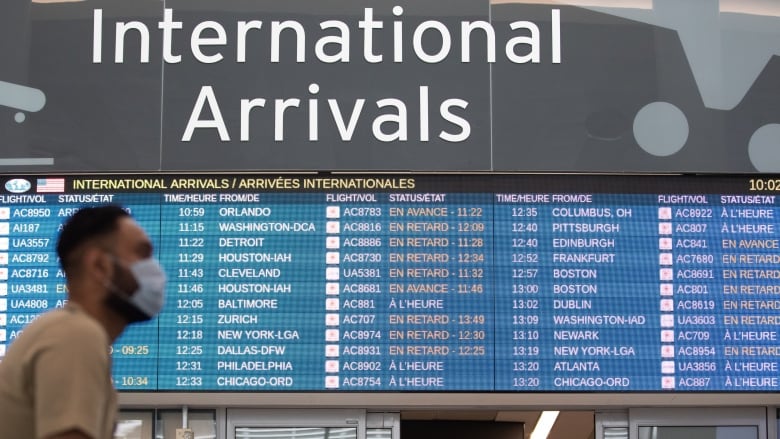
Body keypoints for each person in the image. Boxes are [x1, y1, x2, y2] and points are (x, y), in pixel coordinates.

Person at [0, 205, 166, 439]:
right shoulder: (76, 336)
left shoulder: (64, 330)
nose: (156, 271)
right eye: (142, 254)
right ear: (99, 266)